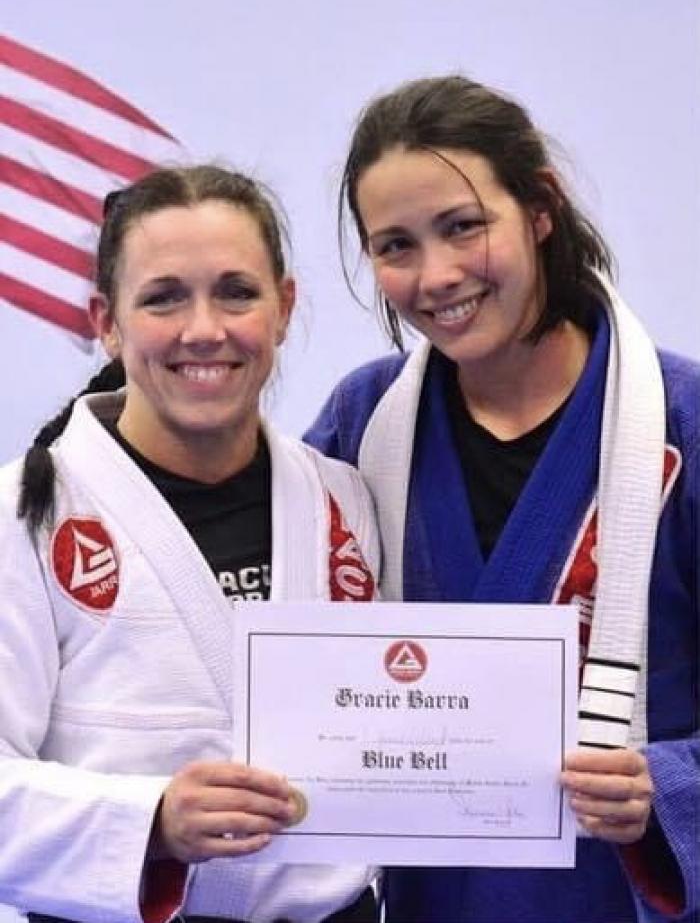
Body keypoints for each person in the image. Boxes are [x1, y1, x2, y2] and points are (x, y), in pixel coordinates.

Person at [305, 76, 699, 922]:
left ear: (540, 208)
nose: (436, 275)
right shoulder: (362, 421)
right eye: (396, 245)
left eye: (463, 226)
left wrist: (665, 789)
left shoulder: (683, 423)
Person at [0, 165, 380, 923]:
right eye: (163, 297)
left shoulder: (342, 499)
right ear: (107, 321)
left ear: (284, 308)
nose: (203, 328)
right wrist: (153, 822)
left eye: (236, 292)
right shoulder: (25, 515)